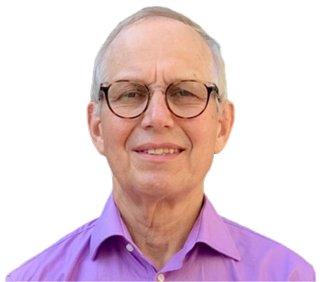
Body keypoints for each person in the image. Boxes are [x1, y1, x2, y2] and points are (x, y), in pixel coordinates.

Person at [5, 5, 316, 282]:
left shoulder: (288, 276)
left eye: (184, 92)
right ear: (96, 126)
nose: (157, 117)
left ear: (223, 125)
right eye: (130, 93)